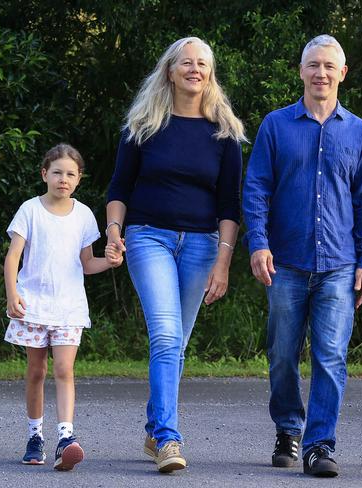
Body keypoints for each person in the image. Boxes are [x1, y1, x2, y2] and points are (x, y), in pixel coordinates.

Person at [242, 34, 362, 477]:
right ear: (301, 71)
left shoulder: (359, 132)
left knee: (330, 357)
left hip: (340, 265)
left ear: (342, 73)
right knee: (282, 353)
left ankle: (320, 444)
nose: (321, 73)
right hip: (285, 261)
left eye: (329, 66)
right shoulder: (276, 125)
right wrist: (258, 242)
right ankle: (288, 429)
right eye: (313, 65)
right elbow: (257, 188)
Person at [105, 36, 245, 473]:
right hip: (149, 238)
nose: (195, 69)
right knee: (166, 336)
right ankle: (168, 439)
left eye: (203, 63)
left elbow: (229, 206)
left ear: (211, 73)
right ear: (170, 70)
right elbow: (119, 187)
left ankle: (153, 427)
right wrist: (113, 230)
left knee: (177, 343)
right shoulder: (143, 125)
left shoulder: (225, 133)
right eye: (186, 62)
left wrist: (223, 261)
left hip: (202, 244)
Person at [4, 143, 122, 470]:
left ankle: (66, 437)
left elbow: (86, 263)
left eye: (70, 174)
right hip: (33, 305)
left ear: (79, 179)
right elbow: (13, 256)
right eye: (57, 172)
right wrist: (12, 293)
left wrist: (109, 262)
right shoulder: (30, 210)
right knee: (36, 372)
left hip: (69, 307)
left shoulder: (84, 215)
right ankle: (35, 436)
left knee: (64, 370)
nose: (63, 179)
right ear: (45, 174)